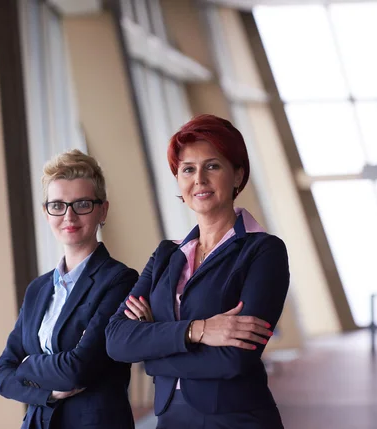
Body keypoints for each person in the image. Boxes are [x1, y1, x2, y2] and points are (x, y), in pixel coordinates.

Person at [105, 114, 289, 429]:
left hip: (237, 420)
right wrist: (199, 330)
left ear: (237, 175)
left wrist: (152, 353)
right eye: (188, 169)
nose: (199, 179)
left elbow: (235, 358)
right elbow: (117, 341)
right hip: (170, 419)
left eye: (212, 166)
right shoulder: (166, 255)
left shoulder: (264, 251)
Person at [0, 149, 137, 429]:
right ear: (46, 213)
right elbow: (2, 375)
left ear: (102, 210)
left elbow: (78, 369)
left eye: (81, 204)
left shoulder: (119, 281)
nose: (69, 216)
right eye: (58, 205)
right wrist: (46, 392)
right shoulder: (38, 289)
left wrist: (25, 365)